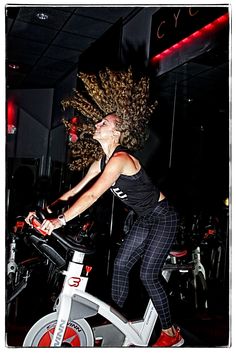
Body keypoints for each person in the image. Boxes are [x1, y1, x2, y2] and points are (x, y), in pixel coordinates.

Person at [25, 67, 184, 347]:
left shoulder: (120, 159)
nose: (97, 124)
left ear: (118, 131)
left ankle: (172, 332)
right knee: (121, 265)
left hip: (164, 218)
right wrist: (45, 212)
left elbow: (93, 196)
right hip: (145, 219)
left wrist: (59, 222)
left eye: (104, 123)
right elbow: (76, 191)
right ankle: (116, 322)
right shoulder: (100, 162)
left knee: (147, 273)